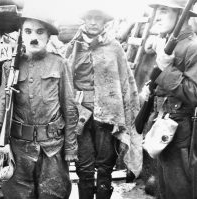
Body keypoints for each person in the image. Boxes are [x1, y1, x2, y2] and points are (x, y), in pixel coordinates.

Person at [0, 3, 79, 199]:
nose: (34, 37)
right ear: (21, 34)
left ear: (48, 36)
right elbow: (3, 105)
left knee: (53, 194)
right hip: (19, 148)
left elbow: (70, 108)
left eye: (40, 32)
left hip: (53, 147)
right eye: (28, 31)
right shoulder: (10, 67)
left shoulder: (59, 64)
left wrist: (71, 148)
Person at [65, 4, 142, 199]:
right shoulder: (73, 46)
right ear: (84, 20)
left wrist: (127, 111)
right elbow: (64, 80)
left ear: (103, 22)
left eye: (97, 18)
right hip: (80, 115)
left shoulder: (114, 47)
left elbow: (125, 81)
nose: (92, 22)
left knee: (105, 166)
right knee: (84, 166)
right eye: (89, 17)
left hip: (107, 116)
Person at [139, 0, 197, 198]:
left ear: (181, 15)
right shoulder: (168, 43)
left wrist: (166, 70)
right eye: (157, 11)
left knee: (179, 190)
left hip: (182, 131)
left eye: (163, 10)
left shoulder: (192, 47)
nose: (158, 16)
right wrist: (151, 88)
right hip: (163, 125)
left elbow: (195, 93)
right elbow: (167, 83)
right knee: (164, 190)